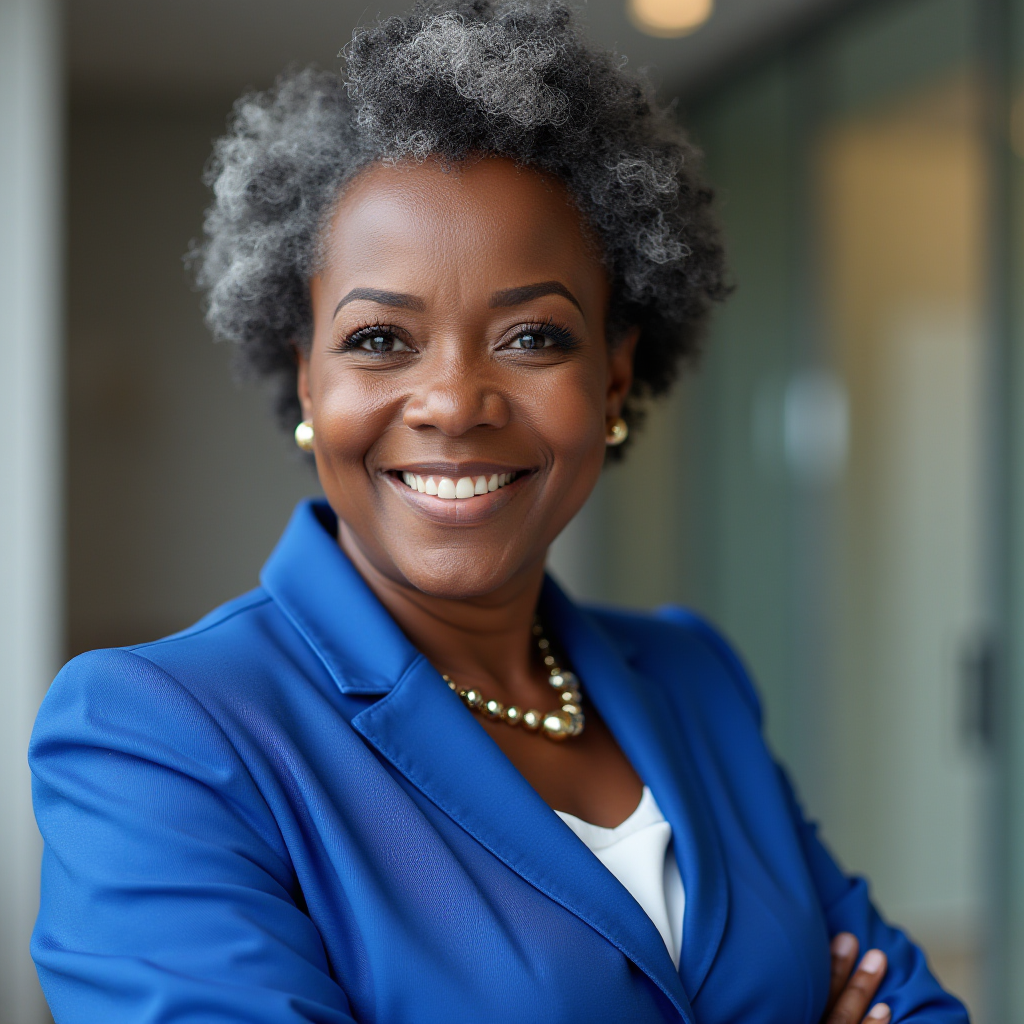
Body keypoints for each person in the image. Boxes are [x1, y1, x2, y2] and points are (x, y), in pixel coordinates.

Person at [29, 2, 969, 1022]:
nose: (454, 402)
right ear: (306, 381)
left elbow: (912, 1002)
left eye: (531, 338)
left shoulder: (695, 678)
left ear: (612, 380)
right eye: (381, 340)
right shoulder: (159, 735)